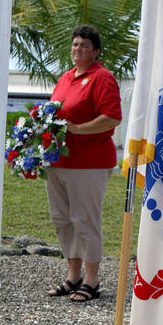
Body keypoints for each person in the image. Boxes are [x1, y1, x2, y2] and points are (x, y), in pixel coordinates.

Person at [46, 25, 122, 302]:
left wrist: (78, 129)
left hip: (89, 163)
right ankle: (73, 276)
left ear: (96, 52)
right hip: (59, 161)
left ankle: (91, 280)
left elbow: (112, 117)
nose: (78, 48)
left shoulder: (102, 78)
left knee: (85, 220)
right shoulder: (65, 78)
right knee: (63, 220)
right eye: (75, 44)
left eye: (85, 46)